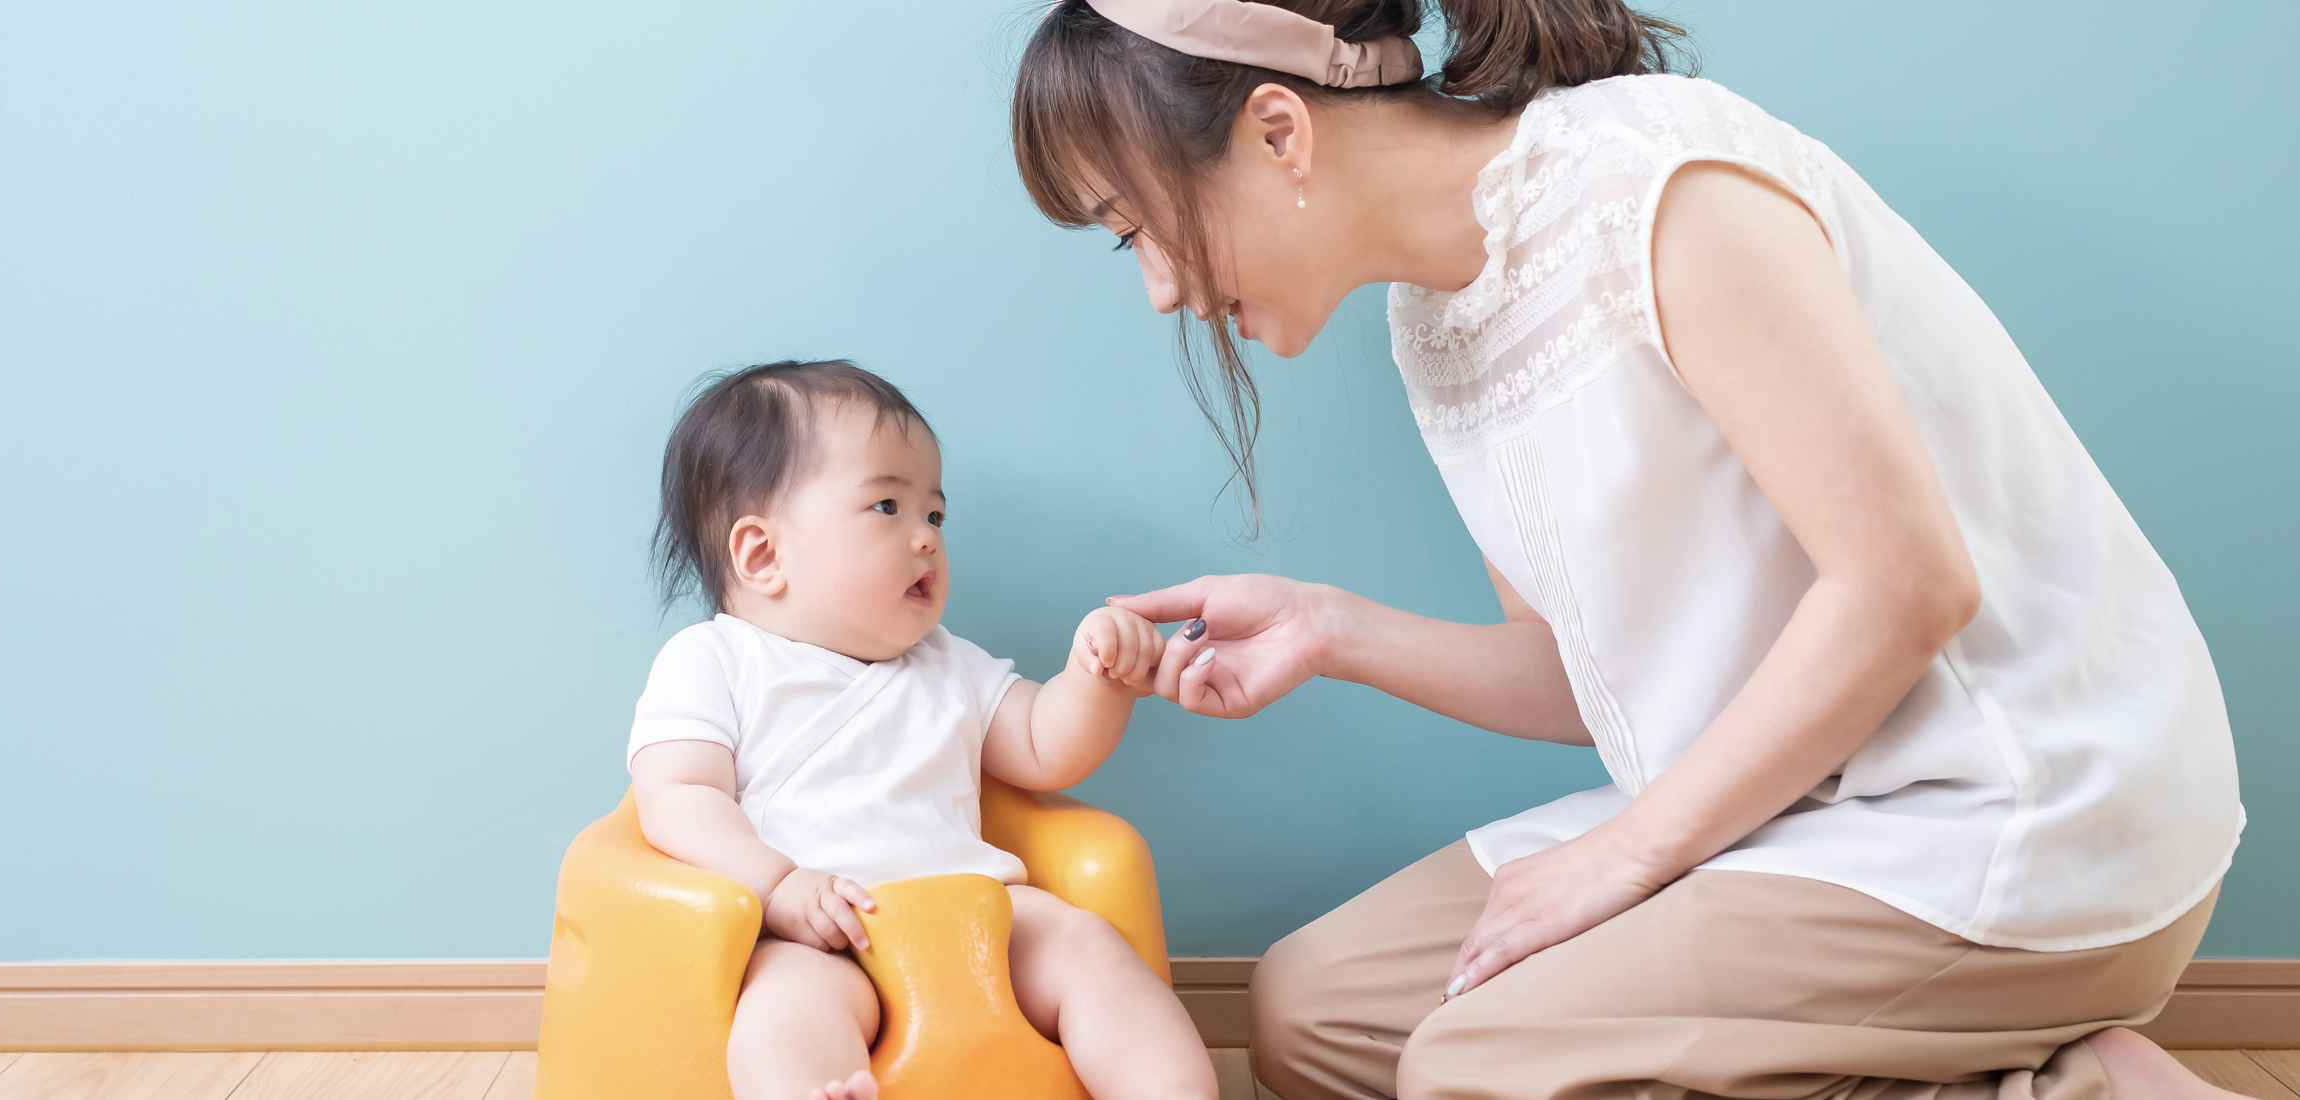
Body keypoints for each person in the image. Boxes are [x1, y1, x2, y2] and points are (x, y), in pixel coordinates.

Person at [1007, 2, 2246, 1099]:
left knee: (1467, 1065)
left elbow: (1905, 584)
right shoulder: (1433, 320)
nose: (1159, 290)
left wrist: (1628, 852)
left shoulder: (1652, 179)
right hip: (1787, 797)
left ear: (1279, 131)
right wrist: (1333, 629)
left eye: (1135, 229)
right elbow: (1584, 675)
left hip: (2008, 797)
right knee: (1312, 1012)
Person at [625, 360, 1215, 1100]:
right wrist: (779, 886)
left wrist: (1097, 676)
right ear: (763, 554)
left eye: (934, 515)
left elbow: (1043, 746)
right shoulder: (715, 660)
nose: (927, 538)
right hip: (823, 931)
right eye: (887, 508)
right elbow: (676, 794)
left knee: (1090, 946)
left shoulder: (947, 662)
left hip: (983, 917)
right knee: (780, 1011)